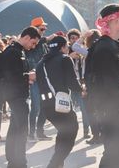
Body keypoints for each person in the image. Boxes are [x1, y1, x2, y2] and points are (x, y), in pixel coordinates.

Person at [85, 3, 119, 168]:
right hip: (108, 108)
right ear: (114, 21)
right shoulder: (102, 48)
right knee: (113, 154)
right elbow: (110, 84)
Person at [35, 36, 85, 168]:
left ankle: (58, 165)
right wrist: (82, 90)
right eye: (67, 46)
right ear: (62, 47)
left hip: (46, 106)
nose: (68, 49)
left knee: (63, 133)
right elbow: (72, 82)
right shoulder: (64, 59)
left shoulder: (41, 63)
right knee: (71, 130)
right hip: (60, 105)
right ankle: (53, 164)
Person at [0, 26, 41, 168]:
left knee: (15, 128)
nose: (33, 46)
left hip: (18, 95)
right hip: (15, 95)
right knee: (22, 130)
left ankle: (13, 161)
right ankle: (20, 162)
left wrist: (27, 75)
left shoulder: (18, 51)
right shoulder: (13, 52)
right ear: (27, 37)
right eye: (33, 43)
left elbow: (16, 73)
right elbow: (10, 76)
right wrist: (28, 76)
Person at [26, 17, 56, 141]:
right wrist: (46, 39)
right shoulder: (32, 42)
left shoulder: (43, 43)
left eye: (44, 28)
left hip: (44, 78)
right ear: (35, 29)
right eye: (42, 28)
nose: (44, 30)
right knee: (36, 107)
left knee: (45, 106)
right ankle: (31, 133)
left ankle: (40, 132)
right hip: (34, 79)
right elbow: (37, 43)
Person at [67, 28, 91, 139]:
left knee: (84, 108)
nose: (74, 40)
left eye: (77, 38)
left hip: (81, 83)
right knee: (68, 108)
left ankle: (86, 130)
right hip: (69, 83)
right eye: (72, 38)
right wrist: (69, 57)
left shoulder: (83, 50)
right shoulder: (66, 51)